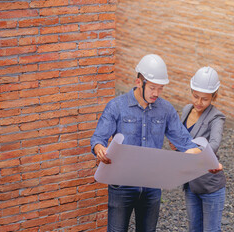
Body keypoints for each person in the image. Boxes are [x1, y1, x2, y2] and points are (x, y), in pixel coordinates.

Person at [90, 54, 201, 232]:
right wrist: (99, 148)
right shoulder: (116, 107)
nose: (156, 93)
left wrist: (200, 156)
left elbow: (185, 142)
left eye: (160, 88)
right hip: (121, 186)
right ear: (138, 82)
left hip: (151, 187)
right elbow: (98, 139)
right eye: (152, 88)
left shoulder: (166, 110)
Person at [176, 66, 226, 232]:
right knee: (194, 229)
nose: (198, 102)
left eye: (204, 99)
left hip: (210, 186)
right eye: (195, 96)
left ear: (214, 96)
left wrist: (193, 151)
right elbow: (182, 138)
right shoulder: (186, 110)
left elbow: (214, 144)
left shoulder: (216, 117)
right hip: (191, 183)